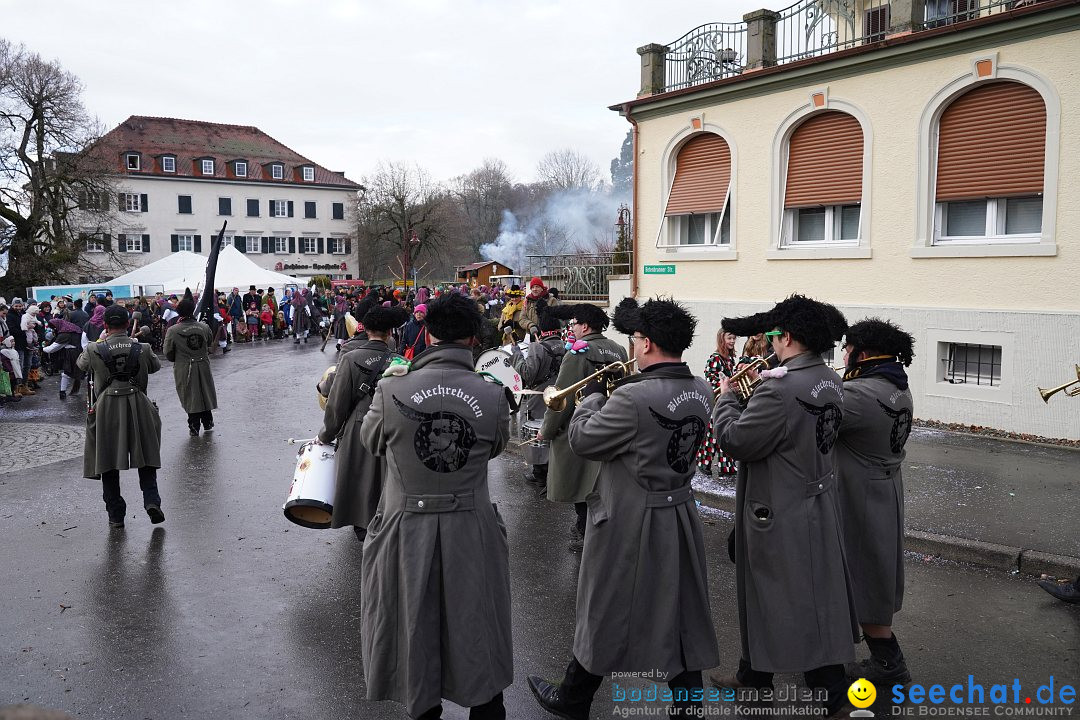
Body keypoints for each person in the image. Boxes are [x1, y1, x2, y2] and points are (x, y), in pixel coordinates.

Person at [528, 297, 719, 719]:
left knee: (604, 606)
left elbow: (583, 440)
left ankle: (573, 698)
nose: (633, 346)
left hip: (630, 516)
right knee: (681, 614)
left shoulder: (634, 397)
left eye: (635, 339)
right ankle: (689, 706)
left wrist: (592, 399)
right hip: (679, 511)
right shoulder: (701, 388)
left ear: (646, 343)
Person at [359, 293, 512, 720]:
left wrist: (385, 388)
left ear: (427, 333)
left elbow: (370, 442)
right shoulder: (493, 393)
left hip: (405, 529)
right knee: (477, 629)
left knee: (413, 632)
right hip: (472, 528)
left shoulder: (391, 388)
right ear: (473, 339)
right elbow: (495, 447)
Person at [710, 295, 858, 718]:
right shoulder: (829, 378)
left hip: (778, 509)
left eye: (773, 336)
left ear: (787, 337)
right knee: (799, 596)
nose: (770, 343)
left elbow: (736, 440)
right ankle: (754, 674)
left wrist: (728, 400)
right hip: (814, 499)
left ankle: (832, 696)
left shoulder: (777, 388)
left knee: (792, 601)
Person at [835, 318, 916, 684]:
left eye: (848, 349)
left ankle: (888, 662)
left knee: (862, 576)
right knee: (874, 575)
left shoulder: (858, 395)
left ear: (862, 354)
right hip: (885, 489)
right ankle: (883, 658)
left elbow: (808, 415)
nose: (844, 355)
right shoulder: (897, 386)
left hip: (860, 494)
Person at [538, 303, 628, 552]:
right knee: (601, 482)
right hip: (611, 425)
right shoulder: (618, 349)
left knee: (579, 483)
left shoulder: (578, 353)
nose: (572, 328)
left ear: (585, 326)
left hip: (581, 426)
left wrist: (546, 431)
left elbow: (560, 400)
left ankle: (585, 529)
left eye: (574, 324)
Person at [316, 305, 408, 541]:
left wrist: (326, 435)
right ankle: (386, 519)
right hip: (392, 427)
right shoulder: (399, 360)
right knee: (385, 478)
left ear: (365, 330)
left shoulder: (350, 358)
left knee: (359, 476)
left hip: (358, 426)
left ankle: (362, 525)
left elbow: (337, 404)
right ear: (389, 333)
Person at [77, 304, 164, 529]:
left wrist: (100, 341)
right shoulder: (142, 347)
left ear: (105, 325)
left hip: (106, 408)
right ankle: (151, 500)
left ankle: (116, 514)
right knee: (146, 456)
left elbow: (81, 364)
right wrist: (133, 345)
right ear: (127, 324)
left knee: (108, 461)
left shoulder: (94, 349)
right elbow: (155, 366)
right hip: (138, 403)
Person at [513, 298, 565, 486]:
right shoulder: (565, 346)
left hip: (538, 398)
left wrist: (516, 355)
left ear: (542, 330)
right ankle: (554, 471)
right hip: (559, 397)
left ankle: (540, 473)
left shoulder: (538, 347)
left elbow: (527, 373)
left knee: (536, 435)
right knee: (554, 432)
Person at [164, 289, 218, 437]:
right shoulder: (204, 326)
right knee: (204, 391)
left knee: (190, 395)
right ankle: (208, 421)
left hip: (184, 366)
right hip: (203, 364)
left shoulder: (173, 330)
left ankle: (194, 425)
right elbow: (208, 343)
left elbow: (167, 352)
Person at [698, 329, 739, 476]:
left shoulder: (730, 358)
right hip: (716, 400)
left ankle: (721, 465)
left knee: (720, 432)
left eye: (734, 338)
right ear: (722, 339)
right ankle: (707, 463)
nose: (732, 341)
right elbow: (710, 379)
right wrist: (726, 385)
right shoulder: (715, 358)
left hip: (726, 398)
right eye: (729, 338)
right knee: (714, 434)